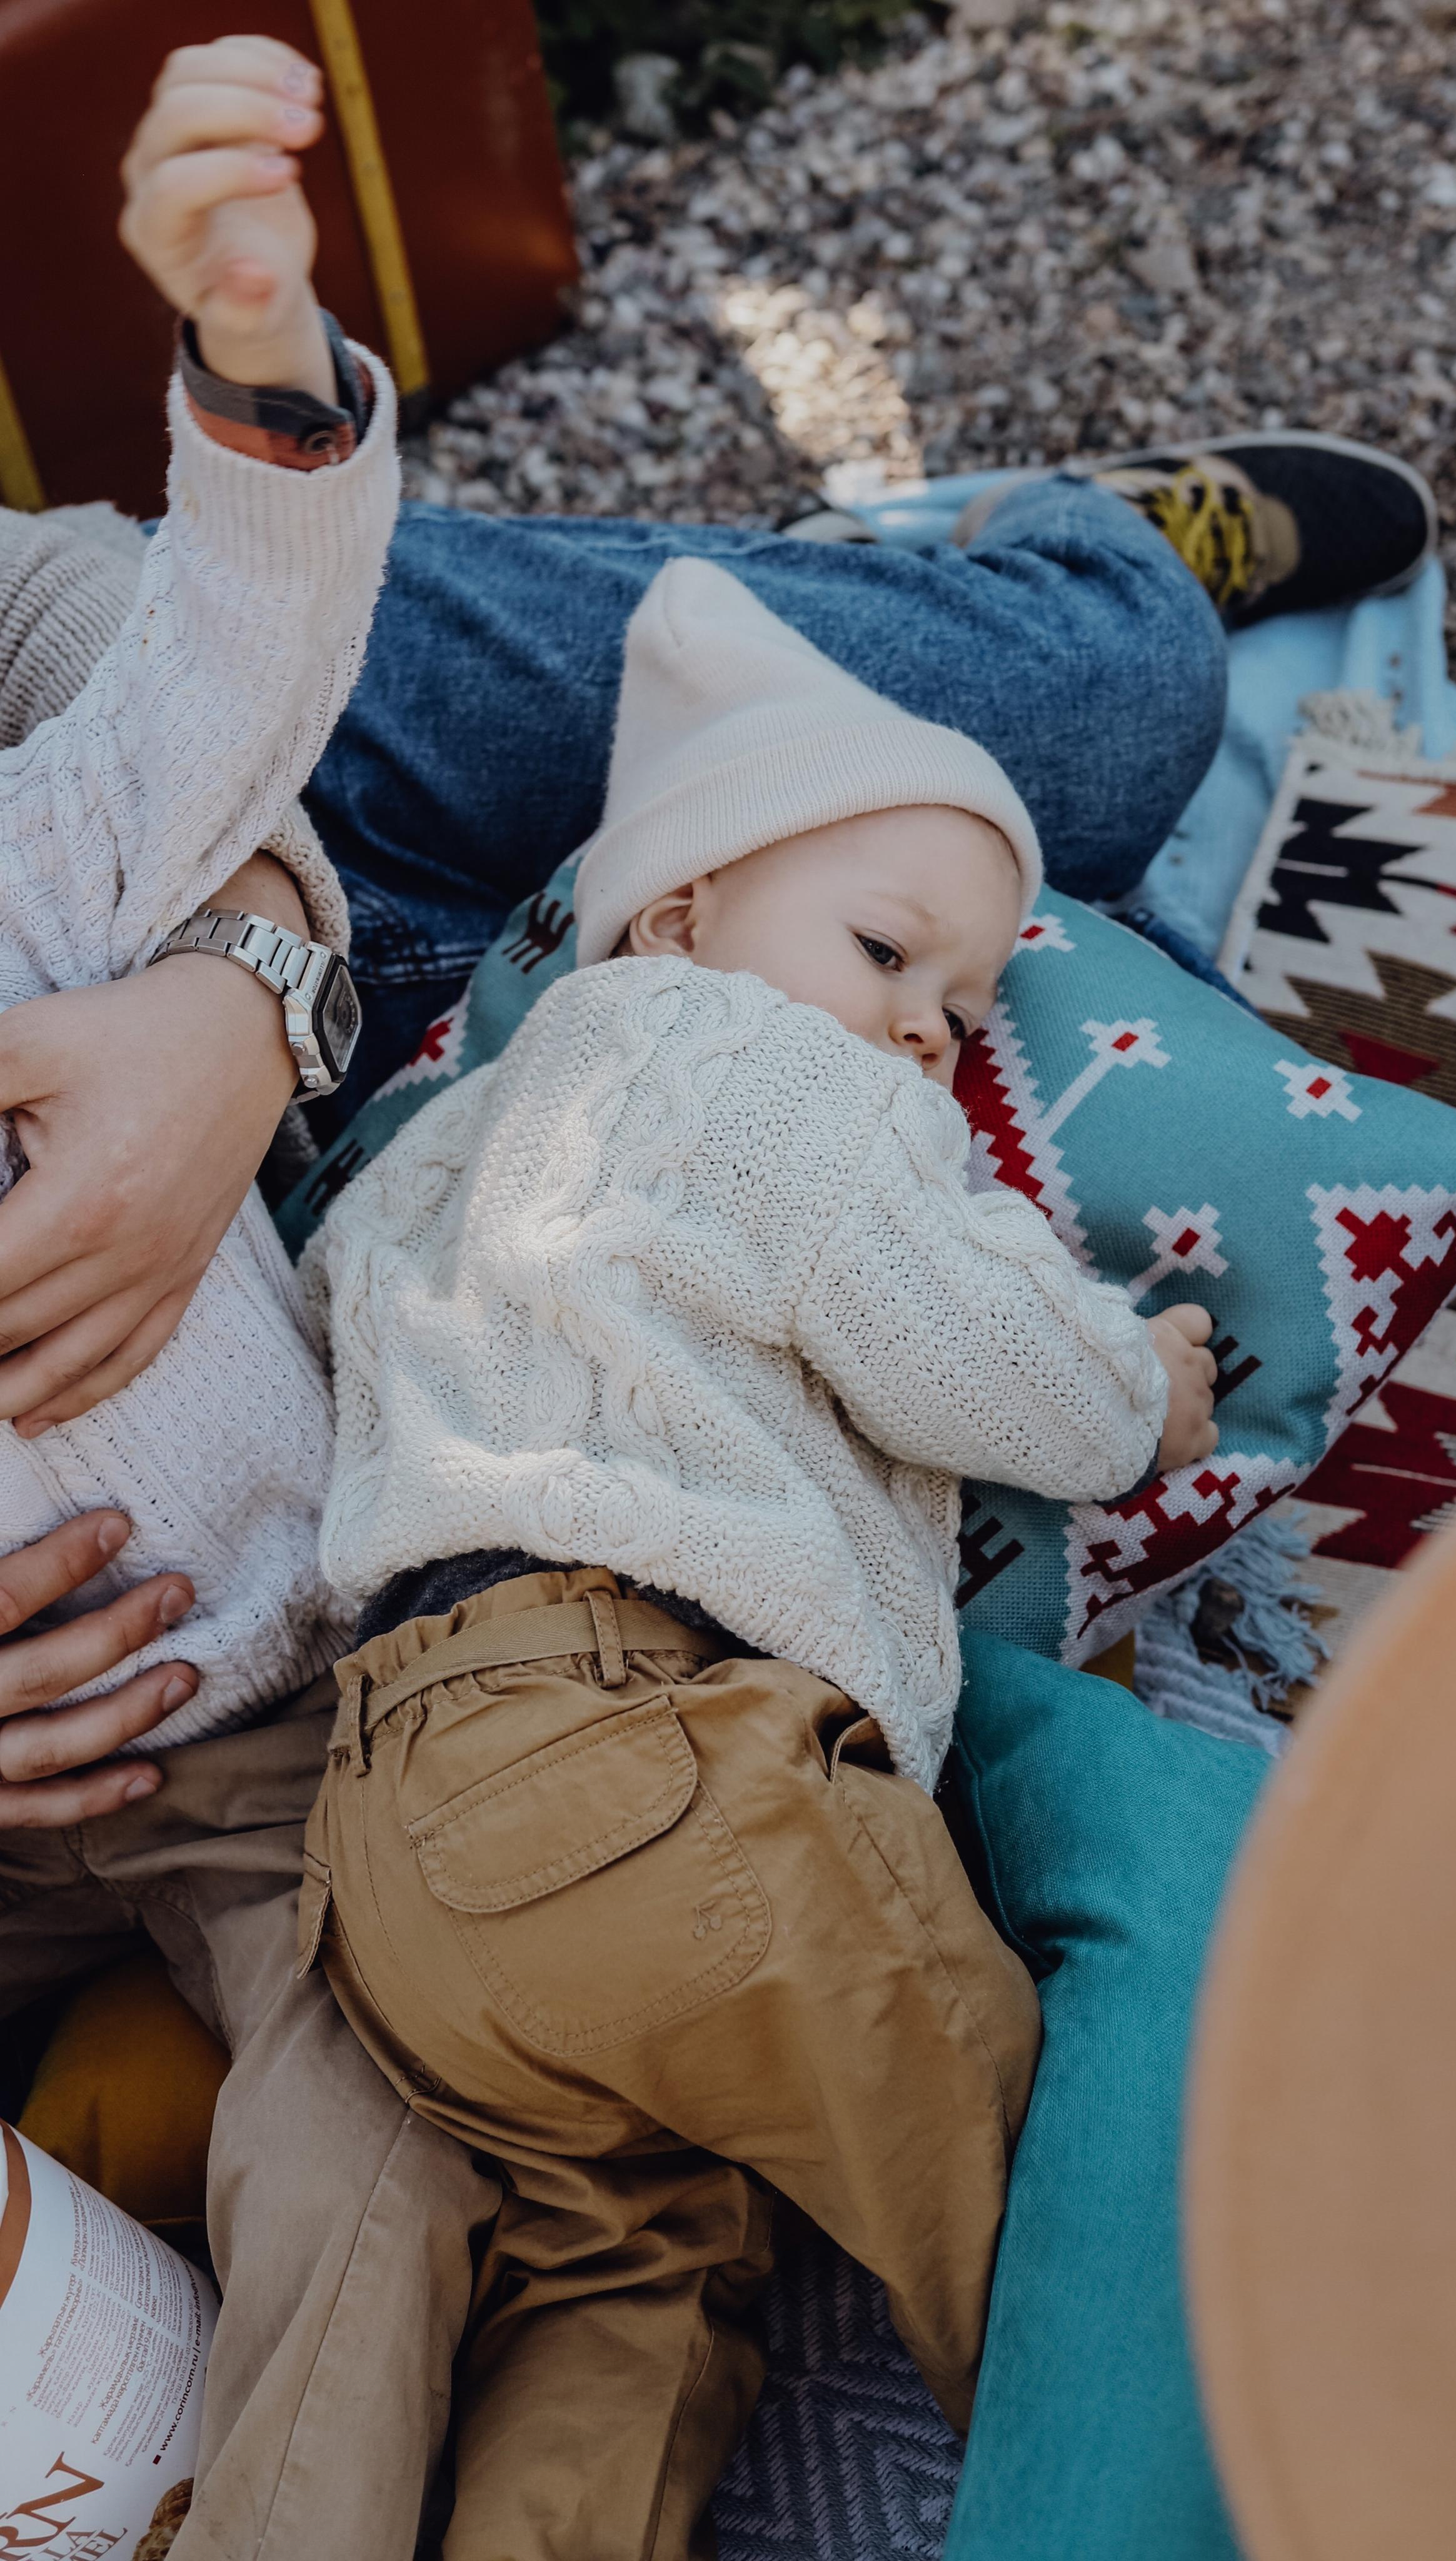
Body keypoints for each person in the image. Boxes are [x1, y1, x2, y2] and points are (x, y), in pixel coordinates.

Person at [298, 556, 1220, 2557]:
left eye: (964, 1014)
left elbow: (329, 1319)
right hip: (657, 1760)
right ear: (686, 906)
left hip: (402, 1856)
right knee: (1041, 2191)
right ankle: (1279, 2481)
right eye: (890, 953)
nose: (921, 1038)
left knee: (627, 2284)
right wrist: (1137, 1387)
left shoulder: (441, 1146)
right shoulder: (743, 1061)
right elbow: (981, 1365)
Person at [0, 38, 503, 2559]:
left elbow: (229, 649)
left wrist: (254, 349)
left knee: (379, 2133)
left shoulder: (39, 847)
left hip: (257, 1702)